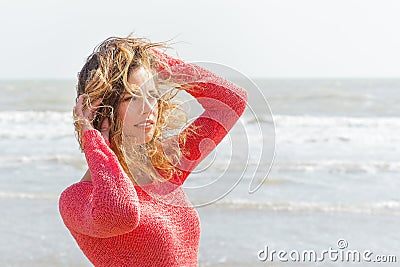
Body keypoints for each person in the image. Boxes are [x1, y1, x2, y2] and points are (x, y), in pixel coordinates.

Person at [58, 36, 248, 267]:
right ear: (101, 109)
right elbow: (121, 212)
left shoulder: (162, 166)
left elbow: (231, 101)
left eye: (152, 95)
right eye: (131, 98)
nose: (149, 108)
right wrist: (92, 138)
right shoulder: (77, 199)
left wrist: (153, 60)